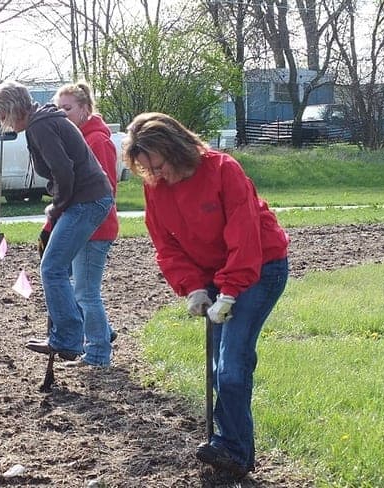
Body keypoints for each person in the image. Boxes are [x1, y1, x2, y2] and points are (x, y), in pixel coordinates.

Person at [122, 112, 289, 480]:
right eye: (149, 169)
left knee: (231, 366)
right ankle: (230, 448)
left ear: (177, 149)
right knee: (217, 367)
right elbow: (164, 243)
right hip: (214, 276)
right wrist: (193, 286)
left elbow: (245, 235)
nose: (157, 175)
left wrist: (229, 291)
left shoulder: (223, 170)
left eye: (160, 166)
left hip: (259, 268)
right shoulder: (156, 185)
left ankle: (234, 452)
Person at [0, 81, 114, 362]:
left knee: (53, 268)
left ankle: (68, 337)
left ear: (13, 109)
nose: (3, 124)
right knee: (59, 269)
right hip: (86, 199)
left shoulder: (40, 125)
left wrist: (58, 207)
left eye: (3, 117)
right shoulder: (44, 120)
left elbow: (63, 170)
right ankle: (85, 332)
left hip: (86, 200)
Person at [50, 81, 119, 368]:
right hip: (80, 225)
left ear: (85, 109)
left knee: (86, 293)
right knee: (80, 289)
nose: (62, 114)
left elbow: (104, 190)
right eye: (59, 109)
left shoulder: (97, 142)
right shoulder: (77, 139)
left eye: (68, 108)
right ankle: (102, 333)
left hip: (94, 228)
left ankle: (99, 352)